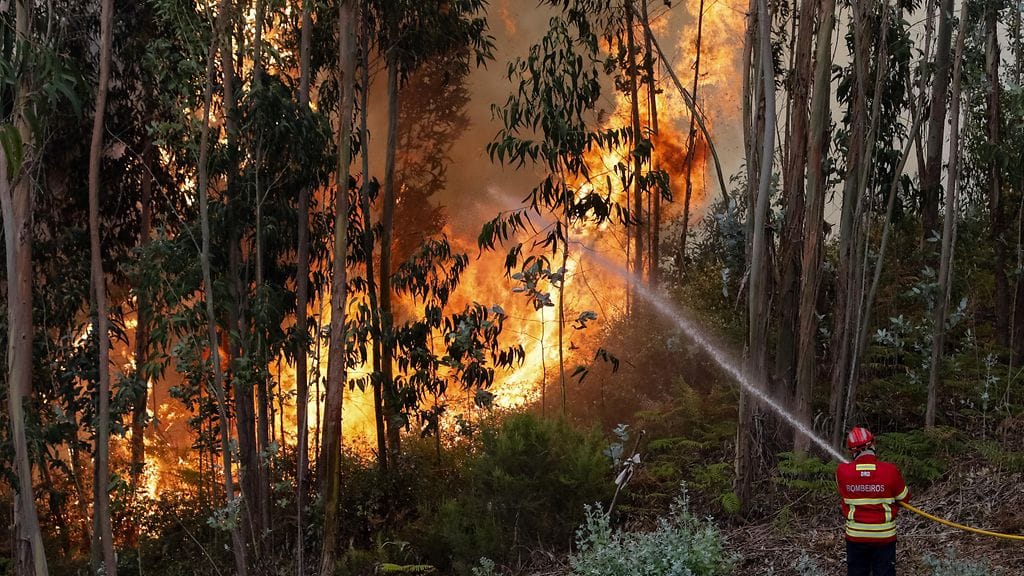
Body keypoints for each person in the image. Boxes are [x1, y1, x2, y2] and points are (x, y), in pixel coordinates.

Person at [835, 427, 910, 576]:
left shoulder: (842, 471)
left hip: (856, 537)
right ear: (873, 445)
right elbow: (904, 497)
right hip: (884, 537)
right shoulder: (890, 470)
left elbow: (844, 491)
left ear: (852, 451)